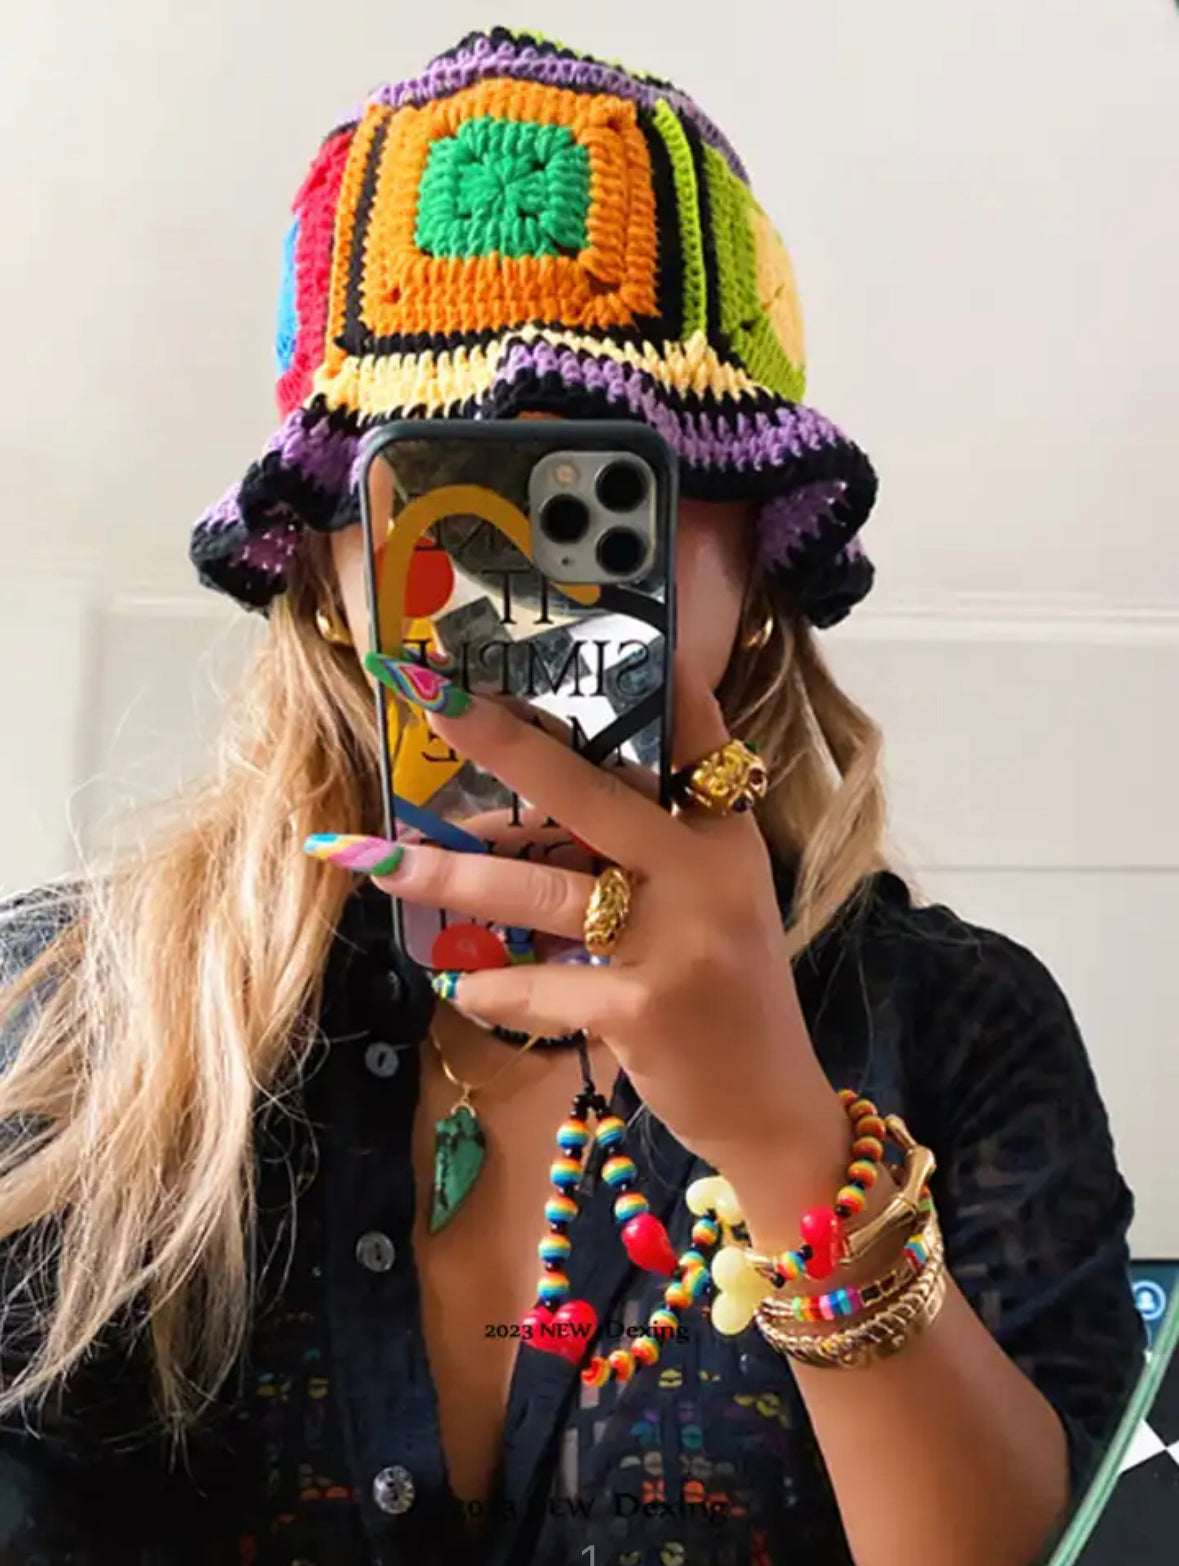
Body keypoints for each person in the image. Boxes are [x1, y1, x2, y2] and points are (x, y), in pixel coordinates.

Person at [0, 25, 1144, 1566]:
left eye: (612, 491)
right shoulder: (59, 1018)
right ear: (331, 566)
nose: (522, 593)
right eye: (449, 497)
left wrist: (792, 1143)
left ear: (759, 565)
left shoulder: (957, 1031)